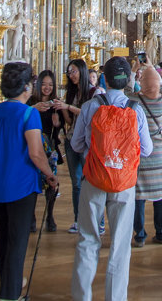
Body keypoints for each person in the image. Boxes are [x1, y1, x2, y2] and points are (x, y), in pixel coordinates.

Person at [70, 57, 152, 301]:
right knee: (120, 245)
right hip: (123, 182)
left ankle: (82, 296)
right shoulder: (136, 110)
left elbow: (76, 145)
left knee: (87, 239)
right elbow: (146, 149)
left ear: (104, 78)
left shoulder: (90, 107)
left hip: (94, 179)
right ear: (128, 80)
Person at [0, 62, 59, 301]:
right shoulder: (28, 113)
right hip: (21, 186)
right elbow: (35, 153)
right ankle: (10, 295)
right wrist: (49, 174)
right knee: (18, 241)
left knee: (2, 238)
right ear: (26, 87)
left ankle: (9, 285)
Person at [53, 58, 101, 234]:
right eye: (68, 72)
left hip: (89, 142)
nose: (70, 75)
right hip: (71, 140)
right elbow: (70, 120)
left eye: (73, 71)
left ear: (82, 71)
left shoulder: (95, 92)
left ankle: (97, 221)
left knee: (92, 181)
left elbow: (91, 114)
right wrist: (61, 107)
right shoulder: (72, 93)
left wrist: (67, 106)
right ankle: (78, 219)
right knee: (76, 183)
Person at [126, 64, 162, 248]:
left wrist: (134, 71)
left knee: (139, 196)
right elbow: (161, 87)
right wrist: (152, 66)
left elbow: (127, 89)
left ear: (142, 84)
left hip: (141, 154)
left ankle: (140, 235)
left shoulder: (135, 101)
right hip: (159, 153)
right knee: (161, 196)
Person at [27, 68, 62, 232]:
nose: (47, 87)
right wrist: (34, 108)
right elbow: (23, 117)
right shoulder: (31, 102)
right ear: (39, 84)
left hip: (49, 147)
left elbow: (60, 125)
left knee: (51, 181)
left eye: (50, 84)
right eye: (44, 84)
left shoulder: (55, 103)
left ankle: (50, 216)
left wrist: (57, 123)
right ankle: (32, 217)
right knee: (33, 181)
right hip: (32, 146)